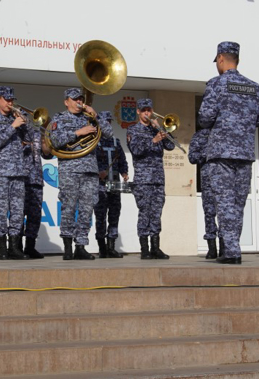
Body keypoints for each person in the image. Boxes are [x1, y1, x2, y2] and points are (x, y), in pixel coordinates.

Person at [198, 41, 259, 264]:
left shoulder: (216, 84)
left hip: (221, 154)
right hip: (245, 154)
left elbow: (205, 118)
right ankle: (233, 246)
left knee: (225, 202)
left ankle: (231, 252)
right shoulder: (254, 87)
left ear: (220, 58)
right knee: (237, 204)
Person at [49, 88, 112, 260]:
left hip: (90, 170)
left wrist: (96, 116)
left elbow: (109, 133)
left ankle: (81, 245)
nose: (79, 102)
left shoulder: (89, 117)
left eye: (81, 99)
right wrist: (78, 133)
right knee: (68, 207)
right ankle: (68, 246)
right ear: (66, 101)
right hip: (70, 168)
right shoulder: (59, 118)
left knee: (86, 209)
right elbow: (54, 140)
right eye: (75, 99)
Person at [0, 86, 30, 260]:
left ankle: (15, 247)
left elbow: (27, 139)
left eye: (12, 100)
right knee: (2, 211)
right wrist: (13, 125)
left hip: (19, 171)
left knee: (18, 212)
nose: (10, 103)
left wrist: (23, 123)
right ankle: (2, 248)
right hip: (2, 172)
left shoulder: (16, 118)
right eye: (6, 100)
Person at [127, 98, 174, 260]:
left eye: (149, 110)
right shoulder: (133, 130)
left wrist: (160, 129)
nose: (147, 113)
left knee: (156, 214)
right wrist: (153, 141)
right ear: (138, 112)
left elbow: (171, 146)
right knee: (144, 213)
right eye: (144, 110)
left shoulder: (156, 129)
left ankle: (155, 247)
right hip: (143, 179)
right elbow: (136, 150)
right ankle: (144, 249)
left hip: (158, 179)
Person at [93, 110, 129, 258]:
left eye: (109, 121)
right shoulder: (94, 142)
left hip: (114, 184)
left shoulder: (116, 142)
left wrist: (124, 172)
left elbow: (122, 160)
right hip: (100, 185)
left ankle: (111, 247)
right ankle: (102, 248)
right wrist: (98, 172)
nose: (108, 124)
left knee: (114, 215)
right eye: (105, 121)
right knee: (100, 216)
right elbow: (90, 162)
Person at [22, 123, 53, 259]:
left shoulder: (36, 134)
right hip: (20, 178)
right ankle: (15, 246)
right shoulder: (14, 132)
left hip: (36, 178)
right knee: (18, 215)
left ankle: (30, 247)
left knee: (35, 215)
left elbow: (46, 153)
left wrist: (45, 138)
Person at [188, 127, 219, 259]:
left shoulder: (223, 133)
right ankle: (212, 248)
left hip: (225, 181)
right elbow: (192, 157)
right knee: (209, 214)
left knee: (226, 215)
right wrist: (206, 153)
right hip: (207, 182)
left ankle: (226, 247)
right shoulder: (199, 136)